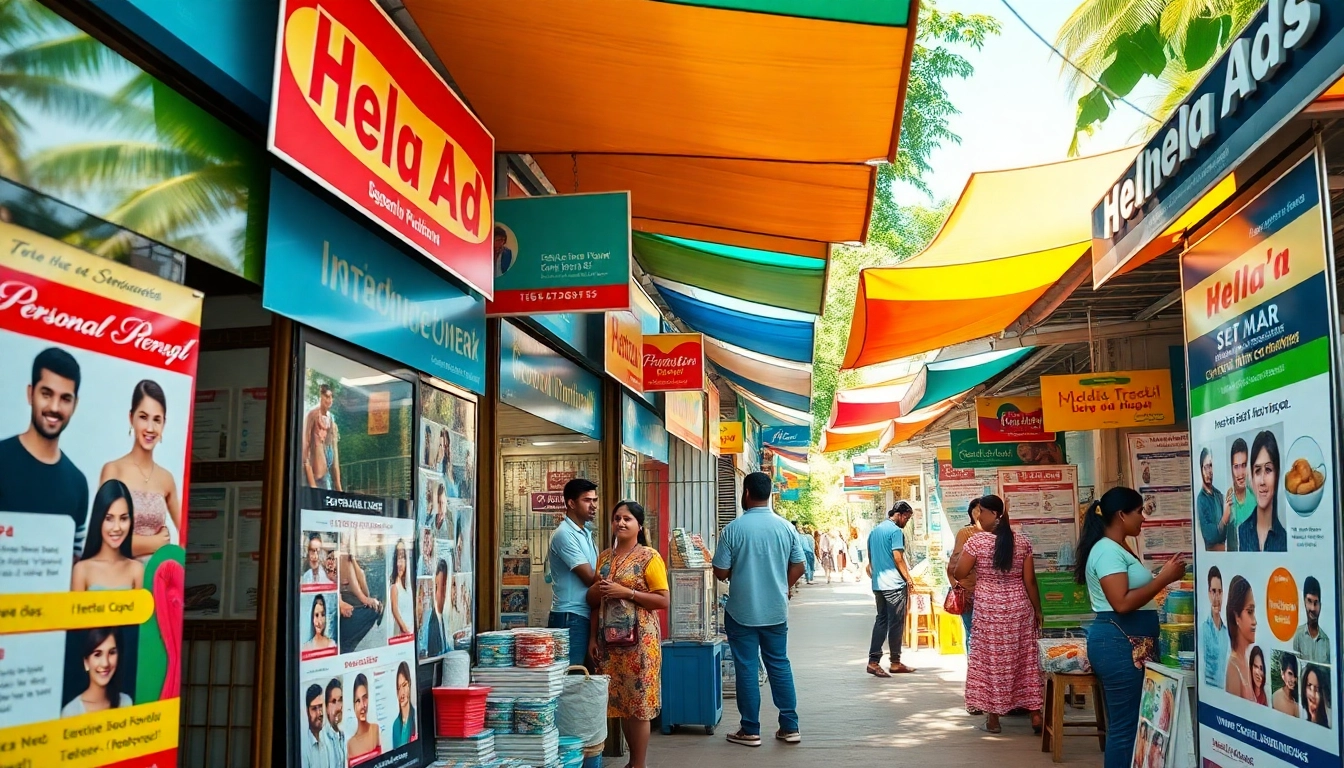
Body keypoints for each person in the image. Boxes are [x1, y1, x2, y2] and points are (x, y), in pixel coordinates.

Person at [1075, 487, 1186, 768]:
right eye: (1139, 512)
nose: (1143, 518)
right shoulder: (1107, 551)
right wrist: (1163, 579)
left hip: (1129, 642)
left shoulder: (1118, 547)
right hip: (1119, 643)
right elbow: (1121, 603)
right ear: (1122, 515)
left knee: (1135, 724)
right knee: (1125, 729)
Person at [713, 472, 805, 747]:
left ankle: (750, 729)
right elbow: (799, 566)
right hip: (776, 611)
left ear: (747, 493)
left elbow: (720, 571)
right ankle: (790, 726)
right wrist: (782, 586)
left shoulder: (733, 529)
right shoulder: (786, 527)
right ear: (768, 495)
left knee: (747, 668)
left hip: (741, 612)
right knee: (779, 664)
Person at [586, 502, 669, 768]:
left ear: (639, 526)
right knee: (620, 701)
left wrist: (627, 593)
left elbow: (663, 600)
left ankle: (638, 763)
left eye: (627, 519)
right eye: (617, 518)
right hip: (609, 642)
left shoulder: (649, 556)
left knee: (639, 704)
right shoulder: (604, 558)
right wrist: (592, 639)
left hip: (640, 644)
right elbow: (593, 601)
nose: (621, 523)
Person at [952, 495, 1044, 733]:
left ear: (993, 514)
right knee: (1025, 660)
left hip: (988, 612)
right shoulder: (1022, 542)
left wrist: (957, 562)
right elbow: (1030, 581)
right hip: (1019, 610)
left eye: (981, 511)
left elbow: (960, 572)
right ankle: (1035, 715)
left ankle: (993, 720)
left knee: (990, 662)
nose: (978, 516)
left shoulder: (976, 543)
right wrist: (1038, 609)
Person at [0, 348, 89, 560]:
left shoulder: (78, 484)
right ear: (31, 394)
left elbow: (73, 564)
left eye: (65, 398)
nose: (54, 407)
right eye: (46, 394)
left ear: (75, 405)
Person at [100, 380, 182, 562]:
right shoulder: (113, 471)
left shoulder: (166, 478)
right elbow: (106, 540)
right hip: (122, 582)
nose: (150, 428)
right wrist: (155, 542)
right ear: (131, 418)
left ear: (164, 424)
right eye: (143, 417)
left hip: (158, 581)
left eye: (157, 420)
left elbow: (187, 534)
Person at [548, 478, 599, 667]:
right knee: (571, 678)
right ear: (571, 503)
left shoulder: (585, 533)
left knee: (583, 679)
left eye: (595, 500)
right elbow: (589, 578)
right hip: (570, 617)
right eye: (587, 500)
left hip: (584, 616)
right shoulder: (564, 534)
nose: (593, 505)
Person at [865, 501, 916, 678]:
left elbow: (870, 560)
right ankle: (894, 662)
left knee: (882, 621)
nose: (906, 522)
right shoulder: (895, 531)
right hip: (894, 585)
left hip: (879, 585)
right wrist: (909, 579)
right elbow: (898, 558)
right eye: (907, 518)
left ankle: (875, 661)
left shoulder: (875, 531)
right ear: (899, 515)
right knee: (896, 623)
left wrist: (876, 574)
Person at [71, 480, 144, 591]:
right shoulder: (81, 570)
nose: (116, 527)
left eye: (123, 518)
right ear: (98, 519)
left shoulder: (137, 570)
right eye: (109, 518)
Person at [61, 628, 132, 716]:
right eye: (97, 654)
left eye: (112, 652)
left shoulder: (126, 702)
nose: (105, 663)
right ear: (86, 662)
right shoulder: (71, 712)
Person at [947, 498, 986, 656]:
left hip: (991, 594)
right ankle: (974, 668)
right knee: (972, 632)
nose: (980, 513)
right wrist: (954, 583)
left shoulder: (996, 533)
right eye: (976, 509)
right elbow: (955, 559)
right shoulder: (965, 533)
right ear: (970, 513)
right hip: (969, 590)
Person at [1237, 431, 1285, 552]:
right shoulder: (1242, 531)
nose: (1262, 481)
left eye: (1268, 470)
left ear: (1277, 475)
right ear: (1252, 478)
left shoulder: (1285, 538)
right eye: (1257, 471)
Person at [303, 383, 342, 491]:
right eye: (326, 396)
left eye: (331, 397)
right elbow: (305, 452)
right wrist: (312, 485)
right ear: (320, 396)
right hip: (313, 478)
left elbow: (335, 458)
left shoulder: (330, 420)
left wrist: (339, 487)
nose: (329, 400)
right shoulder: (312, 415)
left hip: (325, 476)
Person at [1223, 575, 1256, 699]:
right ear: (1237, 617)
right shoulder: (1233, 668)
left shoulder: (1247, 661)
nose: (1255, 621)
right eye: (1249, 612)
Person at [1199, 567, 1230, 689]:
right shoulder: (1203, 630)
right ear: (1208, 593)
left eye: (1219, 591)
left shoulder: (1226, 633)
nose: (1217, 597)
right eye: (1213, 591)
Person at [1195, 448, 1232, 550]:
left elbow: (1225, 534)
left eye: (1210, 466)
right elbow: (1209, 536)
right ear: (1201, 469)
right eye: (1205, 467)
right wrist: (1224, 519)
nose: (1208, 471)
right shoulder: (1201, 499)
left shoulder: (1219, 495)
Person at [1292, 576, 1331, 663]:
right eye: (1309, 601)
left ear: (1320, 605)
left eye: (1316, 603)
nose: (1313, 608)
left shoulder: (1326, 641)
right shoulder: (1298, 636)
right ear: (1304, 602)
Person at [1223, 439, 1252, 550]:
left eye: (1244, 465)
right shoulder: (1229, 500)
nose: (1240, 474)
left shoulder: (1255, 497)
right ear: (1231, 468)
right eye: (1236, 466)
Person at [346, 673, 382, 762]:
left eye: (365, 697)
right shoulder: (350, 744)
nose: (363, 705)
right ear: (353, 705)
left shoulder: (375, 729)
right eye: (358, 701)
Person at [420, 559, 449, 657]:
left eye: (444, 585)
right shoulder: (429, 623)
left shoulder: (445, 618)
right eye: (438, 587)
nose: (442, 591)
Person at [387, 539, 413, 637]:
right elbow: (395, 611)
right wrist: (405, 630)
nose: (400, 563)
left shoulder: (409, 585)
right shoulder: (394, 586)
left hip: (410, 630)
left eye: (403, 557)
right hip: (402, 634)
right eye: (398, 557)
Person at [302, 683, 330, 768]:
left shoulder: (326, 742)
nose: (319, 713)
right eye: (314, 708)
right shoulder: (304, 749)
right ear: (307, 712)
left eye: (320, 707)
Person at [391, 662, 417, 747]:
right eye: (398, 688)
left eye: (404, 685)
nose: (401, 693)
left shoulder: (416, 717)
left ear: (409, 684)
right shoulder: (395, 725)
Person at [324, 679, 347, 768]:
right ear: (326, 707)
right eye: (333, 701)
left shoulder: (342, 735)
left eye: (340, 700)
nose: (339, 707)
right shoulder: (322, 740)